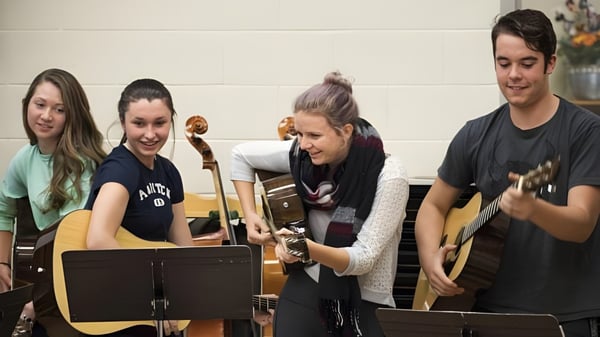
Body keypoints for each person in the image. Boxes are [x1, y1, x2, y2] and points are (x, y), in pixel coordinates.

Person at [414, 9, 600, 337]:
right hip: (483, 311)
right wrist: (431, 260)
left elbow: (582, 223)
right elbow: (432, 206)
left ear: (550, 64)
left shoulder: (584, 131)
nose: (513, 74)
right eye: (503, 63)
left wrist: (534, 208)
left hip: (564, 315)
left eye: (527, 63)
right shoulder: (475, 133)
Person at [231, 71, 409, 337]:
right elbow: (240, 157)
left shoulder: (390, 175)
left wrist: (303, 248)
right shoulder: (301, 156)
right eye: (299, 133)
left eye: (314, 135)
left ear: (345, 131)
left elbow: (364, 258)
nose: (303, 144)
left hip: (366, 303)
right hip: (304, 289)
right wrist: (251, 215)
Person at [0, 68, 106, 337]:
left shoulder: (82, 163)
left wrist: (36, 305)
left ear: (72, 115)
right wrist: (3, 265)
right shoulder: (26, 157)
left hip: (81, 282)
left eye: (59, 109)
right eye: (40, 104)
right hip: (47, 279)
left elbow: (72, 242)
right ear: (27, 105)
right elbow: (3, 211)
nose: (46, 116)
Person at [84, 78, 193, 337]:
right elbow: (98, 240)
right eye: (139, 123)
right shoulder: (121, 169)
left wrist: (241, 301)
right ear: (123, 122)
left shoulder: (168, 171)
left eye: (160, 123)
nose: (150, 134)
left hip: (150, 310)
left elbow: (185, 251)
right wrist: (149, 296)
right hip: (116, 308)